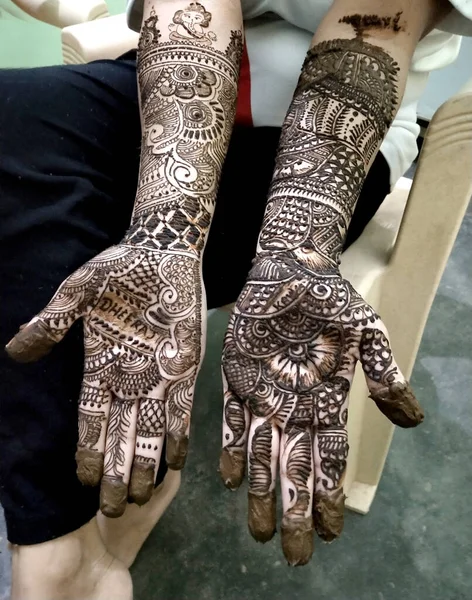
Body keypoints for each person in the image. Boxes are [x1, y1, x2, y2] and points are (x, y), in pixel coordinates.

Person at [1, 0, 471, 597]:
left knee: (39, 213)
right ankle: (66, 541)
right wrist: (162, 233)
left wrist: (293, 255)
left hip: (323, 139)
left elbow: (376, 23)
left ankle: (55, 547)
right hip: (169, 80)